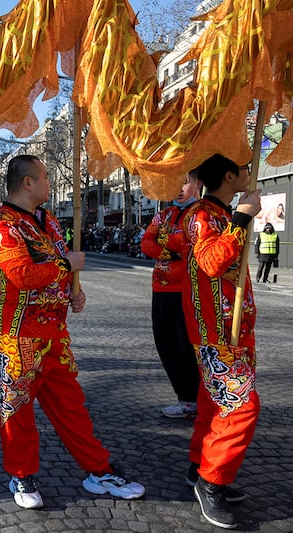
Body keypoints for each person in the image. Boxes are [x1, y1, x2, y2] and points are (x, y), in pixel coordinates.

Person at [0, 154, 145, 510]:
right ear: (28, 183)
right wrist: (64, 266)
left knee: (71, 407)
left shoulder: (49, 221)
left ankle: (98, 469)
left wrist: (74, 289)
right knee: (16, 410)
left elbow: (62, 266)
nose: (49, 183)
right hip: (16, 335)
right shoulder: (2, 227)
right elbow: (22, 276)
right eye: (45, 177)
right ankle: (21, 473)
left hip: (55, 333)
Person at [181, 154, 261, 529]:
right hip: (214, 333)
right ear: (229, 176)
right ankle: (211, 481)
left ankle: (199, 466)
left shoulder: (220, 213)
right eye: (244, 170)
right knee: (241, 406)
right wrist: (242, 218)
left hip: (234, 330)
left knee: (213, 405)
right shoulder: (201, 215)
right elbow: (212, 262)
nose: (250, 174)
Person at [140, 172, 201, 419]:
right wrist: (173, 252)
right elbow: (146, 244)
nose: (178, 188)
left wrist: (168, 243)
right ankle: (185, 397)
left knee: (188, 346)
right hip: (161, 289)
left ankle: (200, 397)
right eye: (174, 181)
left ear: (198, 183)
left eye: (184, 182)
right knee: (167, 345)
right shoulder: (164, 214)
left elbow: (190, 243)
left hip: (188, 289)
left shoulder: (201, 213)